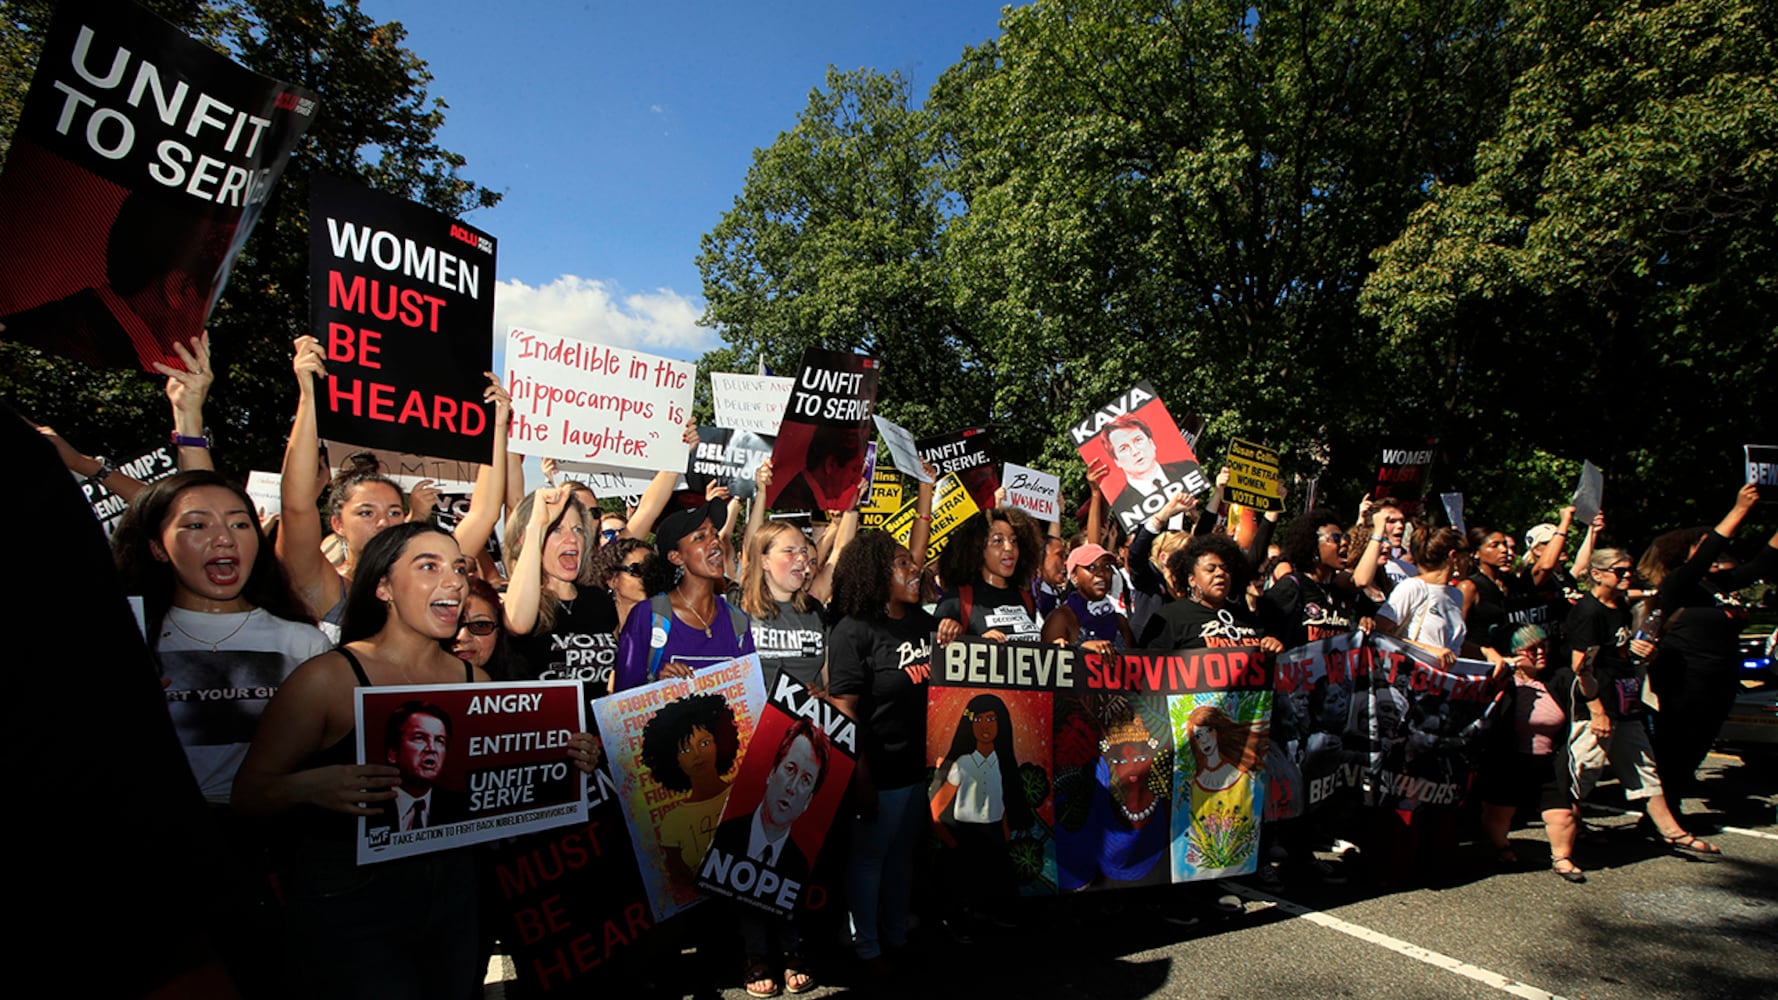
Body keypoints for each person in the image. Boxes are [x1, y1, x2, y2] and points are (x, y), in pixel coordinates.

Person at [233, 523, 590, 998]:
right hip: (349, 900)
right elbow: (248, 795)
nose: (456, 582)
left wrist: (563, 756)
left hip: (454, 897)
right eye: (429, 566)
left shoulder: (474, 682)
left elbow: (499, 785)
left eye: (460, 568)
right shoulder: (327, 680)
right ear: (383, 587)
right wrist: (310, 787)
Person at [276, 335, 511, 637]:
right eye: (366, 513)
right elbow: (295, 506)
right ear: (337, 523)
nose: (384, 522)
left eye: (394, 512)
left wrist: (496, 426)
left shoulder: (429, 575)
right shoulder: (324, 586)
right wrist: (309, 398)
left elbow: (483, 514)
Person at [825, 530, 936, 978]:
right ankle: (867, 948)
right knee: (870, 859)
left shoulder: (922, 623)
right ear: (875, 574)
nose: (916, 570)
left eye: (913, 563)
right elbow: (845, 712)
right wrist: (861, 776)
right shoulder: (853, 632)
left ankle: (896, 935)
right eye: (903, 564)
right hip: (879, 770)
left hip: (919, 770)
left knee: (901, 857)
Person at [1565, 546, 1717, 854]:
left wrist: (1643, 652)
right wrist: (1597, 711)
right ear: (1597, 574)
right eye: (1619, 571)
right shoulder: (1587, 611)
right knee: (1584, 770)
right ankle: (1568, 831)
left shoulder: (1620, 607)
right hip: (1596, 704)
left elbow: (1620, 651)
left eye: (1629, 569)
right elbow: (1581, 666)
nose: (1627, 575)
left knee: (1643, 764)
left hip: (1625, 701)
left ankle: (1672, 830)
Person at [1636, 484, 1778, 807]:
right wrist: (1740, 509)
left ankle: (1668, 809)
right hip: (1685, 682)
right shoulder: (1677, 585)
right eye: (1701, 546)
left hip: (1721, 680)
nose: (1715, 553)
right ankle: (1661, 817)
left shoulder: (1716, 586)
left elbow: (1762, 564)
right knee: (1675, 749)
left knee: (1697, 748)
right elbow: (1710, 551)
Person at [1, 190, 226, 370]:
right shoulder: (79, 349)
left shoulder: (69, 324)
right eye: (209, 301)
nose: (206, 324)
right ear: (180, 289)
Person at [1477, 625, 1591, 883]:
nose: (1540, 653)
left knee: (1563, 813)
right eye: (1532, 649)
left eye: (1543, 646)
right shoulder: (1502, 681)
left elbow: (1589, 692)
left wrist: (1587, 676)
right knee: (1499, 811)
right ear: (1516, 653)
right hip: (1509, 758)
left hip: (1551, 758)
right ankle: (1501, 847)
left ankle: (1562, 858)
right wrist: (1502, 669)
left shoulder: (1559, 677)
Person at [614, 496, 758, 691]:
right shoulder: (648, 616)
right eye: (700, 537)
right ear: (676, 557)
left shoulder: (737, 620)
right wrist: (656, 687)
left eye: (714, 534)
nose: (715, 542)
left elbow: (752, 696)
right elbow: (621, 704)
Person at [929, 692, 1030, 938]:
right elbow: (937, 809)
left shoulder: (1003, 763)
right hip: (965, 834)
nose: (985, 727)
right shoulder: (961, 764)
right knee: (963, 888)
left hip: (993, 834)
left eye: (991, 719)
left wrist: (1004, 835)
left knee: (997, 892)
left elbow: (1002, 802)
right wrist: (952, 843)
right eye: (978, 720)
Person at [640, 693, 742, 899]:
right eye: (685, 749)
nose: (697, 755)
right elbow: (678, 882)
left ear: (719, 743)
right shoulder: (672, 823)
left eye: (704, 743)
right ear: (673, 759)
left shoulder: (744, 793)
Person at [1141, 534, 1284, 654]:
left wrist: (1272, 644)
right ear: (1191, 579)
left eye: (1225, 569)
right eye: (1210, 569)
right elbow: (1151, 669)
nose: (1220, 573)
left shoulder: (1247, 617)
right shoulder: (1171, 618)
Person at [738, 520, 830, 694]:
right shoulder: (737, 608)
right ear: (765, 561)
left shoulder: (816, 610)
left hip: (807, 719)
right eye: (789, 551)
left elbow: (830, 681)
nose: (802, 558)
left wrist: (824, 694)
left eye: (803, 551)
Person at [936, 506, 1047, 645]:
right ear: (978, 549)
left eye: (1014, 541)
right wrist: (978, 646)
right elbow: (939, 657)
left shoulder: (1026, 598)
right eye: (998, 541)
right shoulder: (956, 601)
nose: (1009, 547)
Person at [1180, 704, 1268, 878]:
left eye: (1209, 731)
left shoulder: (1242, 776)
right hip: (1198, 866)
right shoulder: (1194, 783)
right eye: (1198, 736)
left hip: (1236, 860)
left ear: (1219, 731)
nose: (1204, 740)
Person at [367, 702, 468, 834]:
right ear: (393, 754)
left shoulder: (460, 807)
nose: (431, 748)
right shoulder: (368, 803)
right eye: (419, 738)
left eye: (439, 740)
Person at [1100, 415, 1208, 532]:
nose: (1135, 451)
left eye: (1138, 440)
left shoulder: (1187, 468)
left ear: (1151, 443)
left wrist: (1196, 518)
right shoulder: (1122, 505)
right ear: (1116, 460)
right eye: (1124, 448)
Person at [1040, 543, 1135, 651]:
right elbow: (1048, 663)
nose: (1101, 573)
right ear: (1074, 576)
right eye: (1091, 567)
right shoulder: (1061, 618)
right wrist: (1082, 650)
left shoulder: (1121, 622)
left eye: (1106, 566)